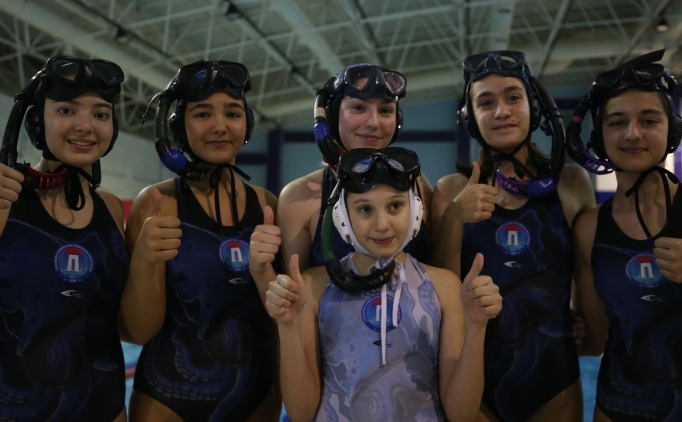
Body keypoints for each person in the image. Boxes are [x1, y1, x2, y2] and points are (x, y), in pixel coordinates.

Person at [259, 147, 502, 421]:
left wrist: (476, 327)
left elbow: (462, 415)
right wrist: (287, 328)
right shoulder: (313, 288)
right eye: (365, 209)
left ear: (415, 210)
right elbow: (300, 414)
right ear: (342, 217)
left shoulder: (444, 287)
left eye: (395, 206)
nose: (382, 224)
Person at [431, 50, 595, 421]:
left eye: (513, 97)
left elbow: (588, 277)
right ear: (470, 117)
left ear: (533, 108)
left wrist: (581, 320)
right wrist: (455, 217)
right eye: (486, 103)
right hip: (471, 380)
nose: (501, 111)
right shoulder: (450, 190)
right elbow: (439, 294)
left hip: (555, 380)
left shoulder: (571, 185)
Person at [123, 60, 279, 422]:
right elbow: (137, 331)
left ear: (247, 124)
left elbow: (282, 320)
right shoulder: (158, 203)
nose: (220, 126)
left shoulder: (268, 205)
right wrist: (145, 262)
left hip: (255, 397)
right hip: (167, 397)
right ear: (179, 125)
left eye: (233, 113)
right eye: (203, 114)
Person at [0, 56, 129, 421]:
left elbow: (127, 327)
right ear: (37, 122)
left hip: (105, 408)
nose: (85, 125)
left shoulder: (111, 208)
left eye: (101, 114)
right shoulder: (6, 200)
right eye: (66, 110)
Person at [570, 50, 682, 422]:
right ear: (599, 136)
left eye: (649, 120)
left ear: (672, 129)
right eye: (617, 122)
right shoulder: (588, 229)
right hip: (617, 407)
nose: (632, 133)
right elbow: (594, 342)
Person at [277, 64, 433, 275]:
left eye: (385, 110)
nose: (373, 122)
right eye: (359, 108)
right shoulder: (299, 198)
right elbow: (292, 288)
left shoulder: (418, 185)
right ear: (333, 117)